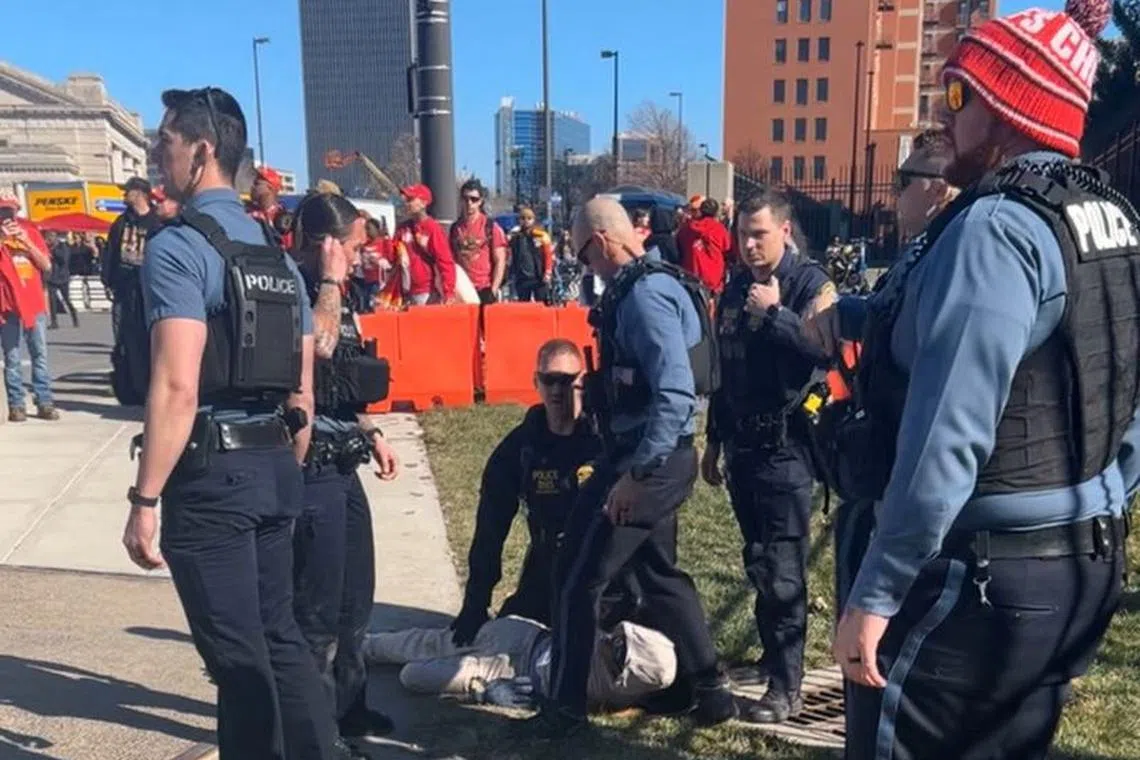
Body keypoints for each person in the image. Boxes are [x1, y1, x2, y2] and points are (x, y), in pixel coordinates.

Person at [803, 2, 1135, 757]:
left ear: (1013, 107)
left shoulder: (995, 231)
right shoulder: (1108, 217)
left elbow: (945, 442)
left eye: (958, 96)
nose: (940, 112)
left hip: (975, 580)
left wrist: (877, 593)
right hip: (1078, 567)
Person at [120, 86, 345, 760]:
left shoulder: (179, 249)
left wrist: (145, 498)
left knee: (236, 659)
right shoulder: (277, 256)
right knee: (279, 637)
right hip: (276, 465)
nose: (158, 155)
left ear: (202, 150)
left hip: (213, 474)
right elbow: (302, 389)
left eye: (165, 141)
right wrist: (287, 467)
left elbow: (176, 384)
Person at [522, 197, 737, 739]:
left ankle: (563, 711)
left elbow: (673, 393)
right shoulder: (657, 283)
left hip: (648, 460)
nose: (586, 269)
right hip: (658, 456)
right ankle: (711, 694)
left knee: (577, 577)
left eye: (583, 256)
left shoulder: (644, 297)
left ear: (601, 241)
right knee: (657, 575)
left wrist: (636, 476)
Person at [700, 190, 834, 724]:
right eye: (742, 234)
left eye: (759, 233)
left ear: (785, 230)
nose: (749, 244)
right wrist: (713, 441)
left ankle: (787, 686)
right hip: (743, 447)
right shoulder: (734, 287)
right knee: (759, 561)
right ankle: (774, 654)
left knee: (783, 570)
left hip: (787, 450)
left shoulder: (810, 283)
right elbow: (726, 371)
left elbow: (825, 350)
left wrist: (777, 314)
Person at [289, 192, 402, 755]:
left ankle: (351, 709)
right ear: (326, 244)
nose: (359, 259)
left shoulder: (341, 297)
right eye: (353, 247)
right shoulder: (295, 288)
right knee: (319, 614)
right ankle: (315, 731)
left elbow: (343, 379)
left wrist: (372, 432)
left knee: (357, 599)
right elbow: (320, 347)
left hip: (343, 459)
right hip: (309, 472)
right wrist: (330, 281)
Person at [452, 339, 643, 644]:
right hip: (547, 569)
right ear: (535, 382)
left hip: (605, 573)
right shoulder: (520, 449)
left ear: (582, 382)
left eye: (566, 381)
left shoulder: (605, 442)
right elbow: (490, 530)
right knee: (500, 640)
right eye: (548, 380)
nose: (557, 390)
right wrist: (475, 602)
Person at [364, 615, 677, 713]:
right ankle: (360, 647)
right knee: (429, 642)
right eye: (620, 637)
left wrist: (483, 692)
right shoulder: (604, 643)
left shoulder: (608, 694)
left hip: (507, 674)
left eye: (622, 648)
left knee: (414, 675)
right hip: (526, 636)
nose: (612, 641)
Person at [0, 191, 57, 422]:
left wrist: (27, 243)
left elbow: (46, 266)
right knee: (12, 357)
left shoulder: (30, 231)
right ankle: (16, 404)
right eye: (1, 211)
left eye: (9, 210)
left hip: (33, 302)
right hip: (7, 304)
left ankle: (44, 401)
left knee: (39, 354)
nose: (6, 216)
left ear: (17, 210)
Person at [103, 176, 159, 341]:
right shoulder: (121, 222)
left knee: (147, 333)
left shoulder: (156, 221)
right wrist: (107, 281)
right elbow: (110, 252)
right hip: (123, 287)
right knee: (122, 333)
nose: (124, 195)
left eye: (127, 191)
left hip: (148, 287)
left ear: (139, 194)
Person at [394, 184, 456, 305]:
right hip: (405, 291)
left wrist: (448, 292)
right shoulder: (402, 228)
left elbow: (445, 261)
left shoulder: (433, 228)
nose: (407, 203)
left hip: (427, 291)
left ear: (423, 203)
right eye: (406, 199)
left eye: (411, 199)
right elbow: (391, 255)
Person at [450, 178, 508, 304]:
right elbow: (452, 260)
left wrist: (494, 289)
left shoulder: (490, 227)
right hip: (463, 289)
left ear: (480, 201)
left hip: (484, 288)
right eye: (465, 199)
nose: (469, 203)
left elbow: (500, 260)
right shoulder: (455, 228)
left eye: (474, 199)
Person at [676, 198, 732, 296]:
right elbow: (728, 250)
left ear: (701, 211)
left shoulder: (686, 229)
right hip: (713, 279)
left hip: (690, 276)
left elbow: (678, 248)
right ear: (716, 212)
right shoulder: (720, 229)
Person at [507, 205, 554, 303]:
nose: (526, 221)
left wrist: (548, 272)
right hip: (522, 277)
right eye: (523, 218)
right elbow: (508, 252)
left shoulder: (541, 235)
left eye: (529, 218)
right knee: (523, 304)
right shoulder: (515, 236)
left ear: (533, 220)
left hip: (538, 276)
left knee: (542, 303)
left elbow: (548, 255)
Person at [45, 232, 79, 330]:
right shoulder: (47, 247)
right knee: (52, 301)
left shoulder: (63, 246)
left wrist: (54, 251)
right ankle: (54, 322)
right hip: (51, 277)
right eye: (48, 237)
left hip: (62, 277)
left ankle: (74, 317)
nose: (49, 239)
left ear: (55, 237)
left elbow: (64, 259)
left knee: (67, 299)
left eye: (51, 237)